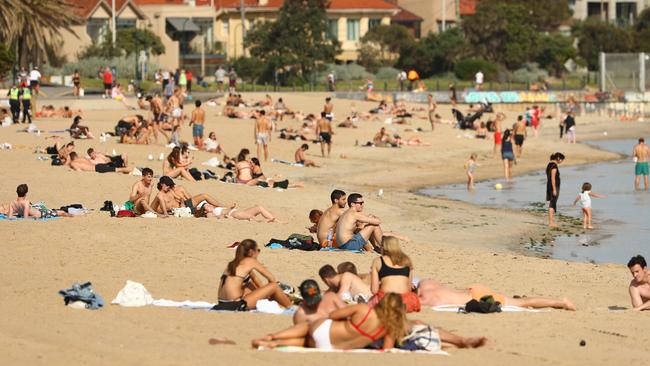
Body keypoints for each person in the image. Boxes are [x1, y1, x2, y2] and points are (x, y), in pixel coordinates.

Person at [252, 293, 408, 350]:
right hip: (330, 346)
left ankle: (272, 337)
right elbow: (387, 349)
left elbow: (334, 315)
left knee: (307, 327)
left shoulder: (364, 310)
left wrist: (349, 320)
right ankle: (275, 344)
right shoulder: (390, 328)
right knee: (306, 342)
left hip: (324, 330)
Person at [214, 239, 291, 311]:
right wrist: (270, 293)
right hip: (235, 305)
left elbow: (255, 279)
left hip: (222, 303)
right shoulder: (250, 261)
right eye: (258, 250)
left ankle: (271, 301)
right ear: (251, 252)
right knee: (274, 286)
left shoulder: (232, 264)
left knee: (249, 285)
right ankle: (291, 308)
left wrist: (264, 293)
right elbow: (271, 278)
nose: (258, 253)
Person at [417, 279, 576, 310]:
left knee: (523, 303)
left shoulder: (425, 299)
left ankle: (561, 302)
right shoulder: (425, 283)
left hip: (477, 297)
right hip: (474, 289)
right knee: (519, 301)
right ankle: (559, 301)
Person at [368, 237, 420, 313]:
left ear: (383, 247)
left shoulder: (378, 261)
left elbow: (374, 290)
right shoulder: (407, 260)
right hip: (405, 301)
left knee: (370, 302)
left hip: (386, 300)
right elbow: (408, 289)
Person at [68, 152, 134, 174]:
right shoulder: (82, 158)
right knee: (117, 167)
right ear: (76, 155)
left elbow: (79, 171)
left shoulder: (73, 163)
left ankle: (130, 169)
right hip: (99, 165)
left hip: (97, 168)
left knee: (119, 170)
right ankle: (124, 161)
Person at [546, 152, 565, 227]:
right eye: (562, 160)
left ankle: (552, 221)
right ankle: (551, 222)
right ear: (558, 159)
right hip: (553, 187)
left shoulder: (549, 165)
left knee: (553, 203)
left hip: (550, 186)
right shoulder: (554, 166)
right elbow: (553, 178)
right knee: (552, 203)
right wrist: (554, 189)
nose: (561, 161)